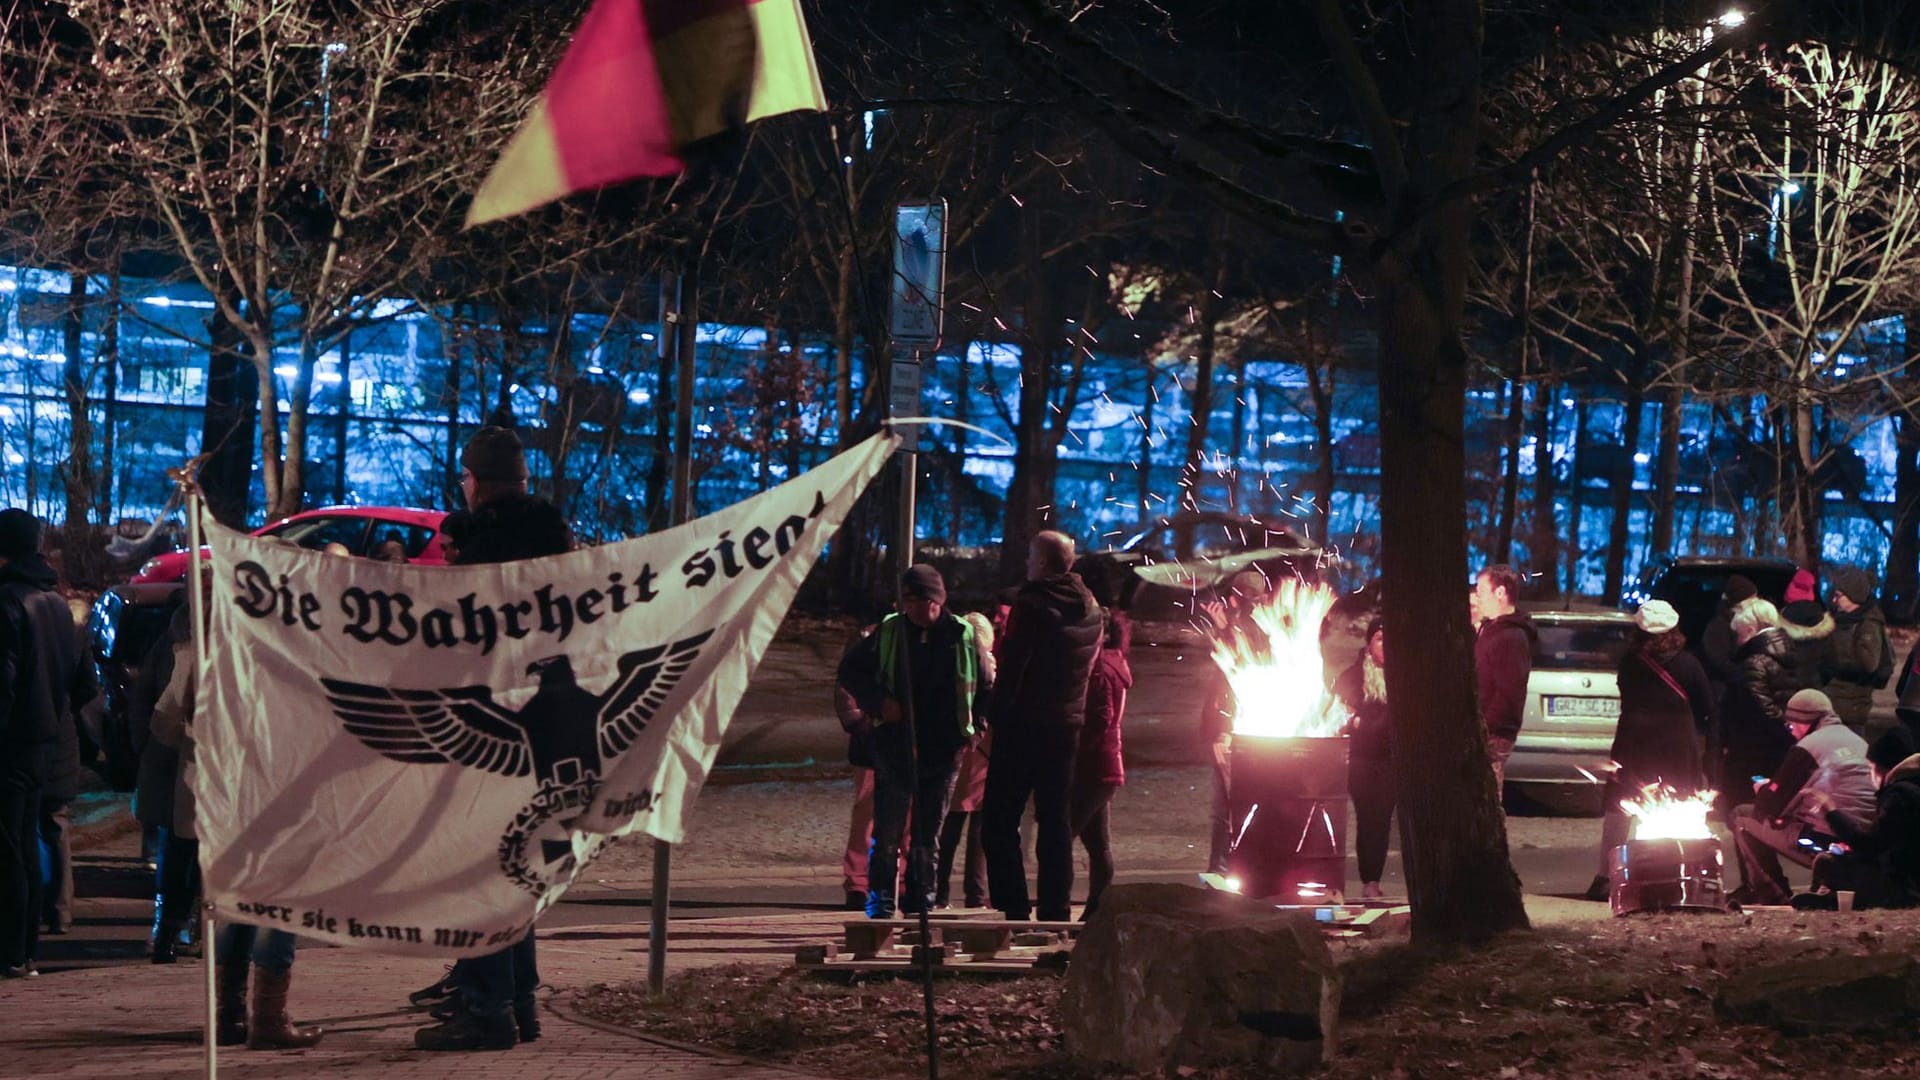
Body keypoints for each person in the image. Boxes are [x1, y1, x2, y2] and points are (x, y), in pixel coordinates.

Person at [414, 425, 573, 1052]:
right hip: (544, 730)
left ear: (476, 481)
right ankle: (520, 1001)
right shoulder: (556, 544)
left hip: (488, 724)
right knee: (516, 866)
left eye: (465, 478)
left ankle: (486, 1010)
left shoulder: (480, 549)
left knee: (478, 869)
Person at [836, 566, 983, 918]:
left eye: (920, 601)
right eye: (909, 601)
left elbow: (985, 685)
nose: (914, 608)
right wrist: (879, 704)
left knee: (927, 837)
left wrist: (977, 723)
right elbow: (850, 672)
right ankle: (880, 906)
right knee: (886, 835)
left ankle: (922, 907)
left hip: (943, 750)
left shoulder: (961, 635)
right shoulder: (890, 631)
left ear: (937, 601)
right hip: (894, 745)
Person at [981, 530, 1103, 923]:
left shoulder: (1032, 606)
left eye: (1031, 556)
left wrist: (993, 715)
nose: (1026, 563)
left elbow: (1013, 668)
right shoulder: (1089, 606)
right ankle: (1055, 910)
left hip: (1023, 728)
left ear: (1044, 563)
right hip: (1067, 726)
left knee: (999, 820)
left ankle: (1012, 909)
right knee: (1054, 822)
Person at [0, 509, 96, 980]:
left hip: (11, 742)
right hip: (45, 739)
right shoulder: (58, 605)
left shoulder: (8, 603)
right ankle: (26, 950)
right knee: (25, 839)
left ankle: (13, 951)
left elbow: (5, 681)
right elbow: (84, 684)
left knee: (11, 845)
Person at [1584, 600, 1713, 901]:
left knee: (1620, 808)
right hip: (1678, 746)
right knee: (1681, 805)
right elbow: (1706, 705)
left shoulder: (1630, 663)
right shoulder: (1689, 664)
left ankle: (1606, 876)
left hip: (1634, 744)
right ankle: (1677, 873)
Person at [1728, 689, 1876, 906]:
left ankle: (1773, 895)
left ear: (1805, 721)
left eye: (1791, 725)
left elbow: (1771, 805)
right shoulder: (1858, 741)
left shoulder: (1808, 747)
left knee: (1742, 816)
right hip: (1865, 841)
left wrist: (1763, 790)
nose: (1792, 732)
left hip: (1829, 842)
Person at [1196, 570, 1270, 875]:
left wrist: (1222, 732)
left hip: (1239, 731)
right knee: (1228, 810)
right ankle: (1227, 873)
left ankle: (1227, 874)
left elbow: (1236, 679)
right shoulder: (1254, 624)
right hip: (1239, 730)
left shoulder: (1254, 628)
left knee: (1229, 810)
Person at [1797, 727, 1920, 910]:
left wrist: (1831, 811)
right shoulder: (1912, 788)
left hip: (1905, 890)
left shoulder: (1899, 795)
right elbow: (1892, 843)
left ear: (1880, 767)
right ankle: (1830, 898)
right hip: (1908, 881)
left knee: (1826, 862)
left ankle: (1826, 900)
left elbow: (1870, 844)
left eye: (1870, 767)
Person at [1071, 611, 1132, 919]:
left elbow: (1101, 717)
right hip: (1106, 764)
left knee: (1064, 834)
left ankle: (1075, 906)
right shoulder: (1115, 660)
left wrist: (1077, 746)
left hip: (1095, 765)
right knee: (1097, 841)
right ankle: (1097, 908)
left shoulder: (1100, 667)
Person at [934, 611, 997, 910]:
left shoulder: (951, 665)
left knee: (948, 832)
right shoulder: (992, 670)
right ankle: (974, 896)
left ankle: (939, 894)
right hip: (982, 757)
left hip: (958, 755)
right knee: (978, 837)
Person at [1717, 598, 1801, 808]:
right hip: (1780, 751)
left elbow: (1761, 710)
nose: (1737, 640)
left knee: (1744, 809)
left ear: (1751, 629)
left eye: (1739, 633)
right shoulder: (1788, 654)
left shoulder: (1754, 662)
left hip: (1752, 754)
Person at [1333, 616, 1393, 899]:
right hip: (1360, 759)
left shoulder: (1403, 678)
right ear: (1369, 645)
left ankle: (1373, 880)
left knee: (1379, 821)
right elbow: (1339, 716)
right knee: (1361, 817)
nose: (1387, 646)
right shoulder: (1353, 677)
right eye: (1380, 639)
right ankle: (1341, 879)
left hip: (1390, 759)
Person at [1473, 564, 1535, 794]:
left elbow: (1509, 691)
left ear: (1500, 592)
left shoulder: (1511, 636)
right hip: (1485, 729)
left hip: (1493, 734)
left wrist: (1486, 727)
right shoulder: (1492, 630)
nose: (1478, 597)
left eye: (1481, 590)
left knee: (1486, 796)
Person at [1821, 567, 1890, 736]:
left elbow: (1869, 664)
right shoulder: (1841, 620)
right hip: (1835, 702)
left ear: (1854, 595)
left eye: (1839, 595)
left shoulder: (1868, 624)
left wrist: (1833, 661)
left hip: (1851, 708)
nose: (1835, 601)